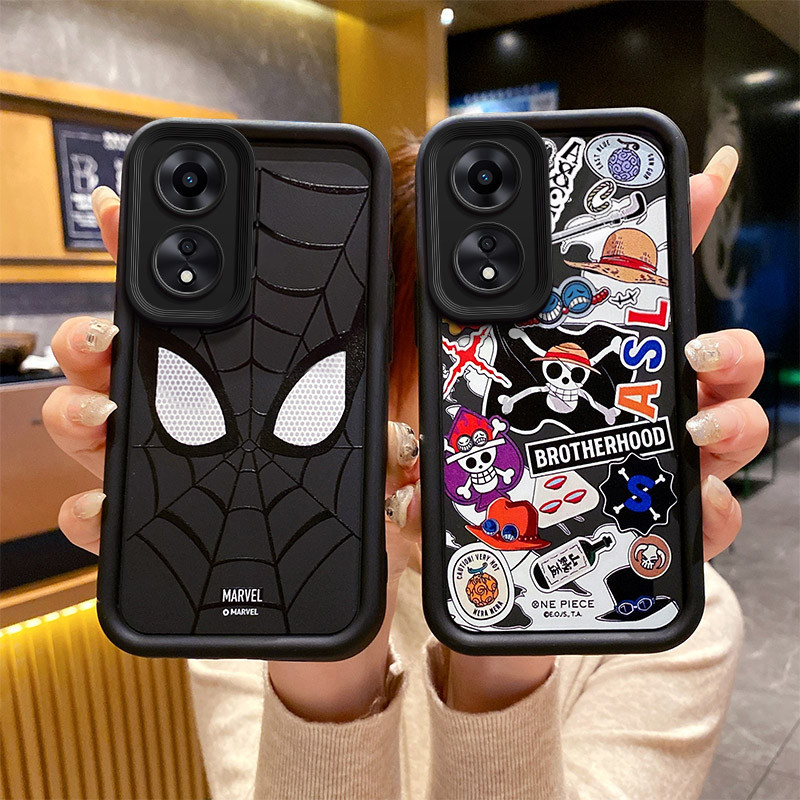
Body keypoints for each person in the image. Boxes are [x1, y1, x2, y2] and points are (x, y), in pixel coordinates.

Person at [44, 142, 767, 800]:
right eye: (419, 344)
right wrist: (328, 655)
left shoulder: (652, 607)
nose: (470, 405)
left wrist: (506, 639)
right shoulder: (252, 583)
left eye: (508, 342)